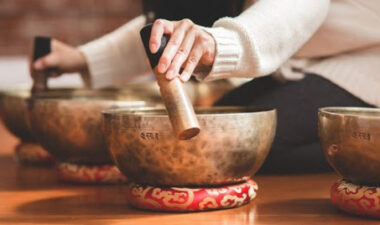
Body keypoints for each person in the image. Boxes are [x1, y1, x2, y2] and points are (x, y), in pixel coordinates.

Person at [32, 0, 380, 173]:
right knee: (225, 131)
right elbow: (170, 22)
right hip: (310, 59)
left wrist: (216, 45)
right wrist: (83, 57)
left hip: (368, 61)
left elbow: (295, 8)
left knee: (238, 147)